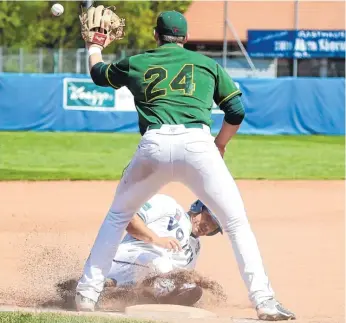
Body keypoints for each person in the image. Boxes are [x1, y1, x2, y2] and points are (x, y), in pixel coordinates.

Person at [76, 8, 296, 321]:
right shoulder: (207, 64)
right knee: (235, 223)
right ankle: (265, 303)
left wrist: (95, 46)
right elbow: (236, 111)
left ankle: (86, 295)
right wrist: (220, 144)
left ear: (156, 36)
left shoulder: (137, 62)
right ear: (186, 39)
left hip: (153, 145)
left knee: (117, 216)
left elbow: (98, 75)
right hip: (198, 146)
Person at [104, 194, 223, 307]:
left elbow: (181, 275)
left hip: (144, 278)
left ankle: (112, 290)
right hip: (125, 259)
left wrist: (200, 281)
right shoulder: (169, 206)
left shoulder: (195, 248)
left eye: (214, 226)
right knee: (160, 262)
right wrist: (156, 239)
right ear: (197, 207)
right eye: (207, 218)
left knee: (184, 281)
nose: (208, 226)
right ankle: (163, 290)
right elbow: (130, 220)